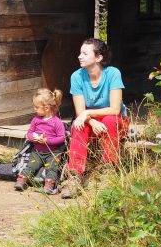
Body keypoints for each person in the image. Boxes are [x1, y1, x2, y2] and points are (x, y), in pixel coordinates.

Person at [61, 37, 126, 199]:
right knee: (78, 125)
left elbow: (115, 109)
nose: (79, 56)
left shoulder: (112, 73)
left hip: (115, 120)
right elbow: (80, 112)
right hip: (92, 122)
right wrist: (90, 119)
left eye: (85, 53)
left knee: (110, 120)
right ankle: (75, 176)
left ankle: (109, 171)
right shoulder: (77, 76)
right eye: (80, 53)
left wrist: (88, 114)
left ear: (99, 57)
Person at [14, 88, 66, 194]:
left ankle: (49, 185)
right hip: (37, 151)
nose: (35, 109)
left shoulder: (57, 122)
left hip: (53, 153)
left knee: (52, 168)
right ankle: (21, 180)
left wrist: (47, 141)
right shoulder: (36, 120)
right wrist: (33, 138)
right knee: (31, 166)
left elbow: (62, 138)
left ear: (47, 108)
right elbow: (29, 133)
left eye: (37, 107)